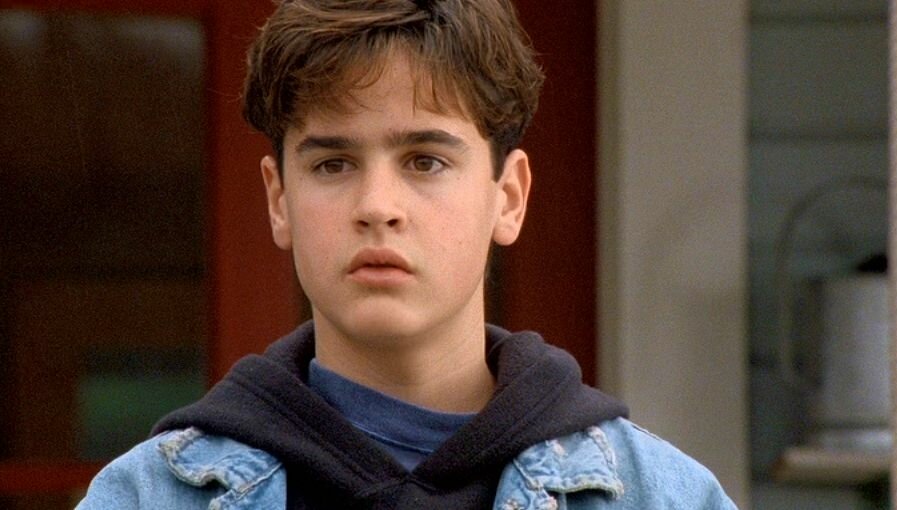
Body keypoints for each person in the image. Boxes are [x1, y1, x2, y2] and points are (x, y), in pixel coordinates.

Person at [78, 1, 737, 508]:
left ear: (508, 198)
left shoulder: (663, 497)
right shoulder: (147, 497)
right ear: (279, 200)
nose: (377, 205)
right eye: (333, 163)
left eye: (425, 160)